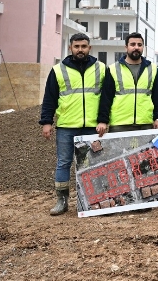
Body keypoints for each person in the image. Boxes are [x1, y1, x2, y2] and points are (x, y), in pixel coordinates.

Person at [39, 33, 106, 216]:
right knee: (64, 163)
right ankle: (62, 201)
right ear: (70, 48)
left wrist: (103, 120)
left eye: (84, 46)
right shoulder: (58, 70)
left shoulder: (101, 68)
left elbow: (106, 98)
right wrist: (46, 122)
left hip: (91, 126)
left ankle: (92, 200)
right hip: (67, 126)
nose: (80, 50)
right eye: (76, 47)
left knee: (92, 163)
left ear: (89, 48)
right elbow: (49, 98)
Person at [96, 31, 158, 135]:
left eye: (139, 45)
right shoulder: (113, 69)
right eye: (132, 44)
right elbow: (106, 98)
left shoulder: (152, 68)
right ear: (126, 47)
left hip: (145, 124)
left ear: (143, 47)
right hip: (120, 125)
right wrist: (103, 121)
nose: (136, 47)